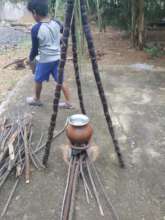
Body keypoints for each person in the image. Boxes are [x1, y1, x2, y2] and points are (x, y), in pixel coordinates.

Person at [26, 0, 72, 108]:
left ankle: (36, 99)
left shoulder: (36, 29)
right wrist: (59, 42)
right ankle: (69, 102)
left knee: (38, 79)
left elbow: (35, 49)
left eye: (31, 14)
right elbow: (63, 34)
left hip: (44, 60)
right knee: (60, 79)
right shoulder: (57, 22)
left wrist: (30, 59)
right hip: (57, 58)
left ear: (34, 12)